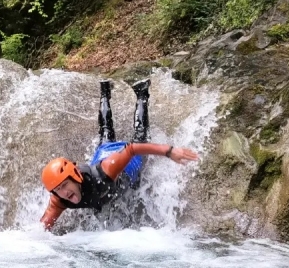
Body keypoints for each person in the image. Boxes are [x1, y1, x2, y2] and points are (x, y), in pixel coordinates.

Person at [40, 78, 199, 231]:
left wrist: (169, 151)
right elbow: (42, 227)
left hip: (124, 166)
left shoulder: (105, 172)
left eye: (65, 185)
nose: (64, 192)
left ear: (75, 176)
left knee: (140, 137)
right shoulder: (59, 200)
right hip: (103, 154)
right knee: (105, 134)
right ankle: (104, 92)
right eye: (59, 189)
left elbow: (131, 149)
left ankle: (142, 93)